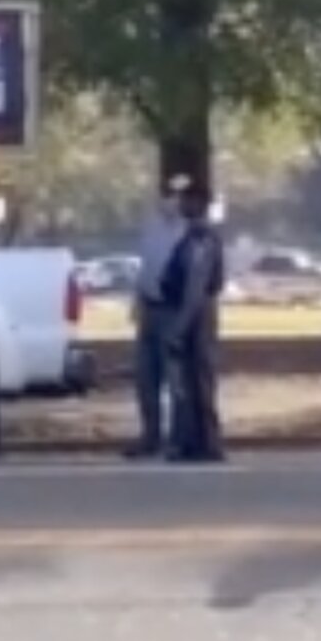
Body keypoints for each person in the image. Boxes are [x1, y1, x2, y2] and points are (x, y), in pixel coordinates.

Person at [160, 182, 225, 464]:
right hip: (193, 314)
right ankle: (191, 441)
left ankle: (207, 443)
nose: (181, 204)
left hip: (197, 317)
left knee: (199, 381)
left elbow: (195, 287)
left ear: (199, 203)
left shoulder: (201, 239)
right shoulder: (191, 236)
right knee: (188, 382)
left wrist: (180, 328)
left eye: (187, 199)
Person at [125, 177, 187, 460]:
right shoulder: (151, 226)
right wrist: (136, 302)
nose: (169, 200)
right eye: (166, 193)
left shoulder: (187, 231)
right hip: (149, 308)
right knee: (145, 378)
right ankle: (150, 436)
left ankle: (177, 438)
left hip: (173, 310)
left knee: (175, 379)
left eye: (175, 195)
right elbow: (145, 265)